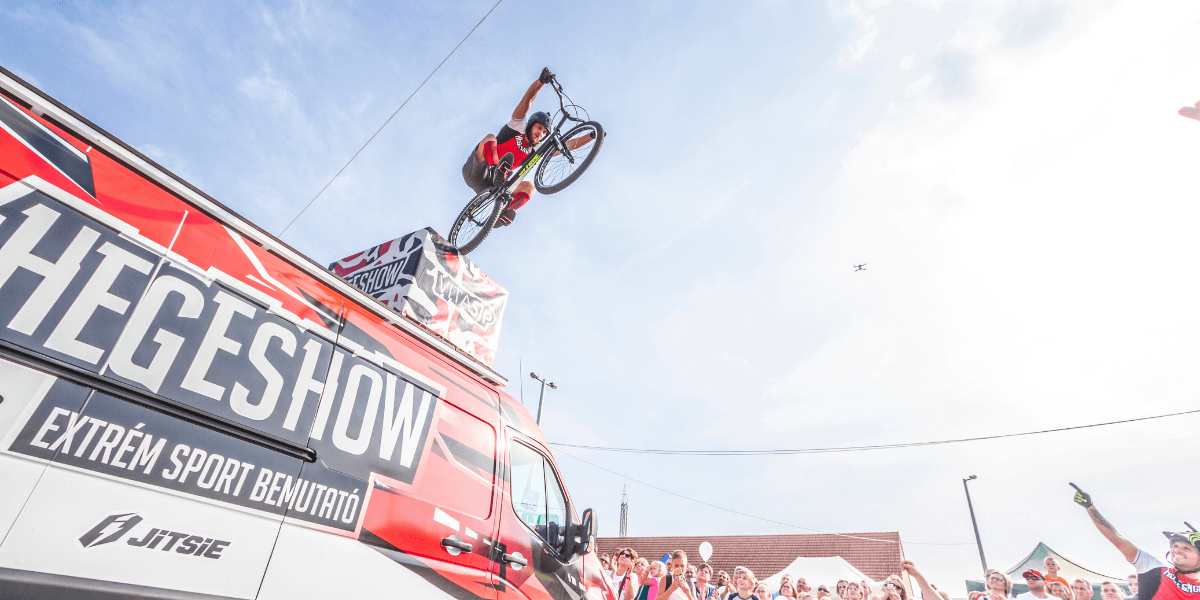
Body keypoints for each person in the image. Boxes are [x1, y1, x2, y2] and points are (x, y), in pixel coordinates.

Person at [461, 68, 554, 227]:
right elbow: (527, 100)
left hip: (493, 186)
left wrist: (593, 135)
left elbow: (566, 146)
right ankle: (494, 169)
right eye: (539, 128)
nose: (540, 133)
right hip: (476, 171)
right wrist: (540, 82)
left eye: (544, 133)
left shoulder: (536, 150)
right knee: (490, 138)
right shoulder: (517, 125)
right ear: (531, 124)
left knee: (530, 188)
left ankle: (502, 213)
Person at [1073, 485, 1200, 600]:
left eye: (1186, 548)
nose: (1177, 550)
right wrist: (1090, 507)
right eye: (1175, 546)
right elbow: (1116, 538)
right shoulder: (1153, 567)